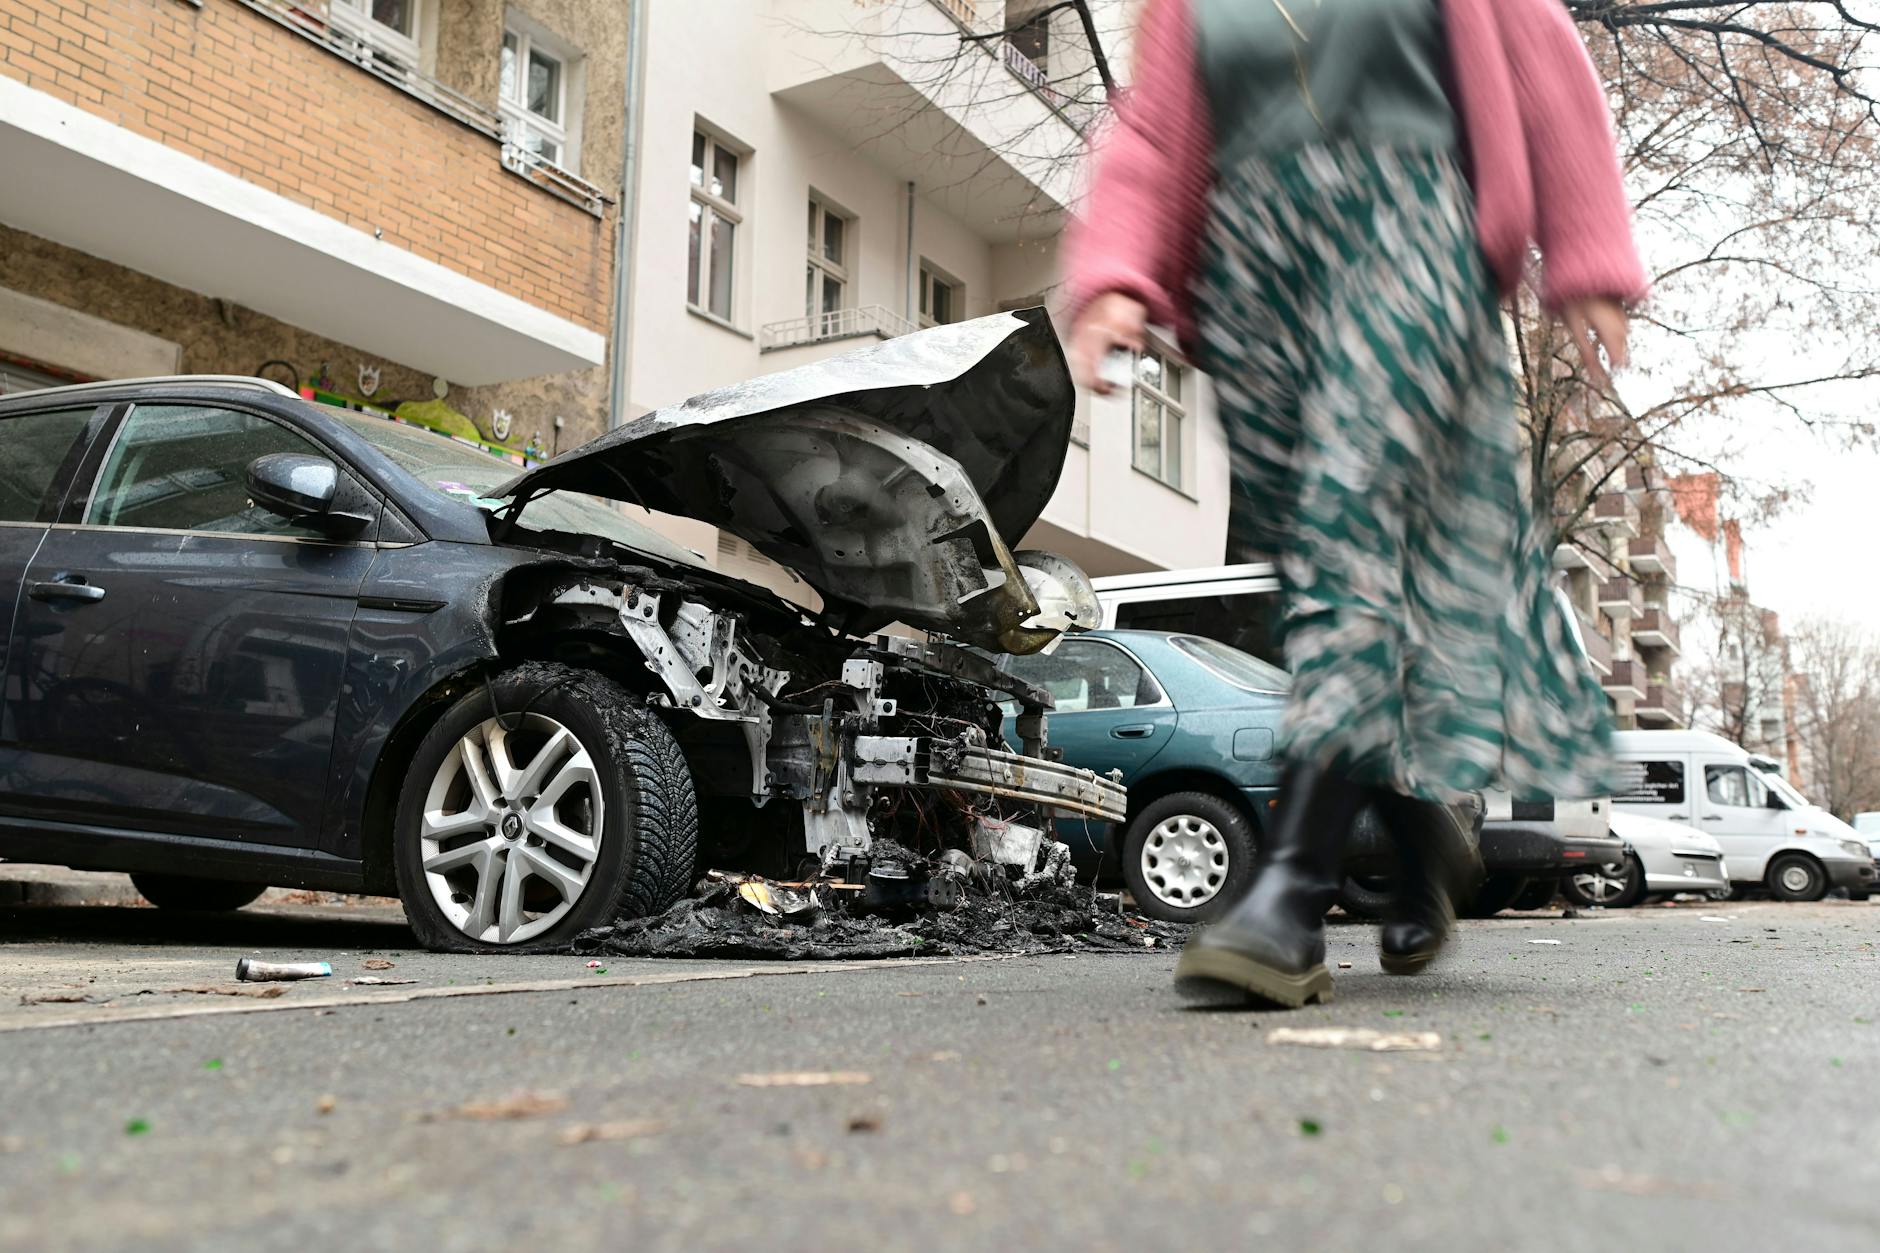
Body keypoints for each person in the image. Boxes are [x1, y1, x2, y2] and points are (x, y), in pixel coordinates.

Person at [1063, 0, 1644, 1007]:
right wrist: (1115, 273)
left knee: (1348, 533)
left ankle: (1287, 894)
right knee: (1331, 581)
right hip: (1254, 271)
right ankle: (1419, 840)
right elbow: (1155, 128)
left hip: (1410, 228)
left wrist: (1586, 254)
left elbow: (1544, 66)